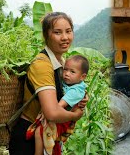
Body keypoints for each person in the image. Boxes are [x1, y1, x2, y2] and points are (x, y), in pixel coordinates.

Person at [9, 12, 88, 155]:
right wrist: (75, 116)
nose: (65, 37)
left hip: (47, 135)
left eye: (68, 31)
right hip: (29, 139)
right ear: (46, 35)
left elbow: (67, 90)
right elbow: (51, 113)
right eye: (57, 32)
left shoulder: (62, 63)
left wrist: (80, 98)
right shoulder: (42, 65)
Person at [26, 55, 89, 155]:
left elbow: (59, 106)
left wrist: (47, 108)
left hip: (63, 119)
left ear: (83, 77)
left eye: (72, 72)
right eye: (65, 70)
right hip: (62, 116)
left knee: (39, 132)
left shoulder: (76, 91)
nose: (67, 74)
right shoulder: (71, 82)